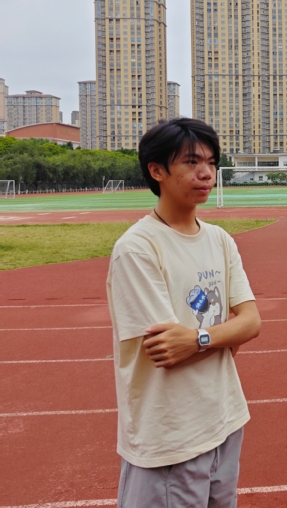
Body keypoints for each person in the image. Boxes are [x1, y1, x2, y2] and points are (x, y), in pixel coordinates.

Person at [106, 118, 261, 507]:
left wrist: (199, 338)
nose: (206, 173)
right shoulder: (138, 248)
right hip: (171, 436)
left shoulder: (219, 240)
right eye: (191, 162)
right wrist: (222, 336)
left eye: (211, 162)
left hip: (225, 419)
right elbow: (168, 352)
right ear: (157, 170)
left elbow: (251, 322)